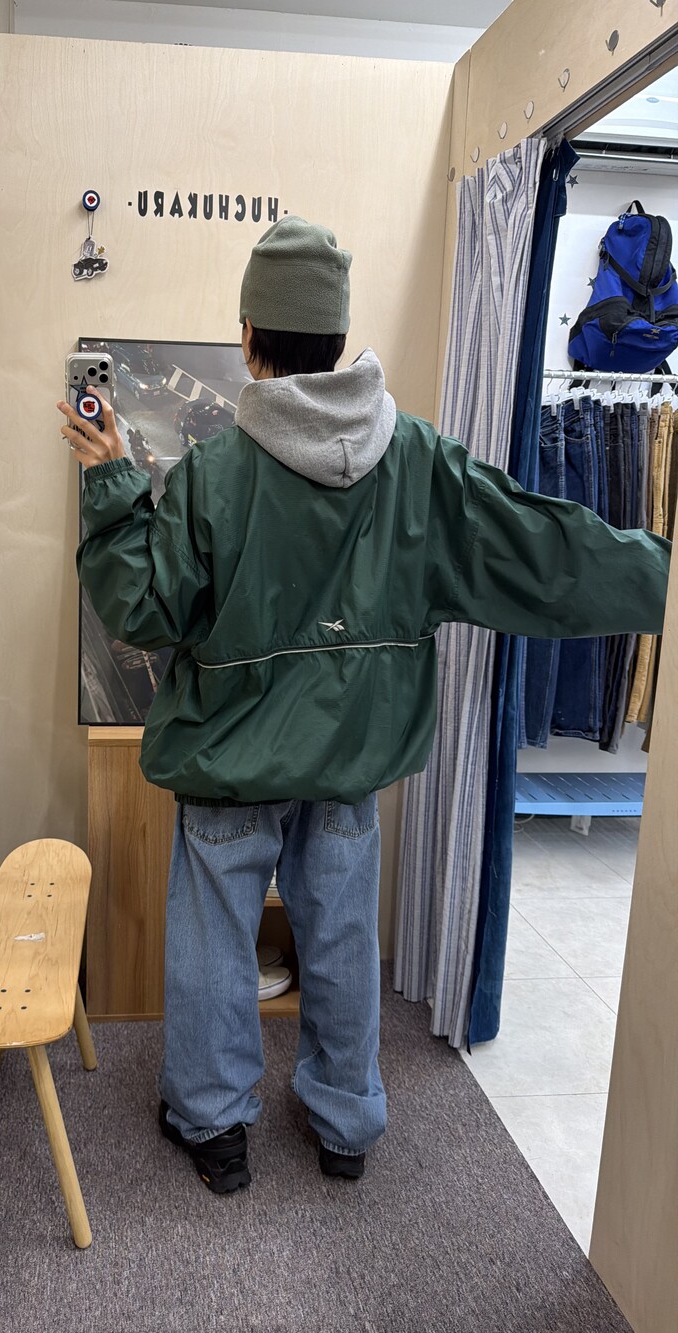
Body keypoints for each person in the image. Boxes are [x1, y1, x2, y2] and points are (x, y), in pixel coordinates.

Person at [56, 216, 672, 1195]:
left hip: (229, 760)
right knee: (340, 935)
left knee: (216, 938)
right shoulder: (419, 459)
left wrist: (110, 482)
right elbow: (542, 547)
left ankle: (214, 1126)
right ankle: (346, 1123)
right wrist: (660, 578)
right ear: (338, 337)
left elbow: (141, 605)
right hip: (352, 757)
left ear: (249, 335)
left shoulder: (215, 472)